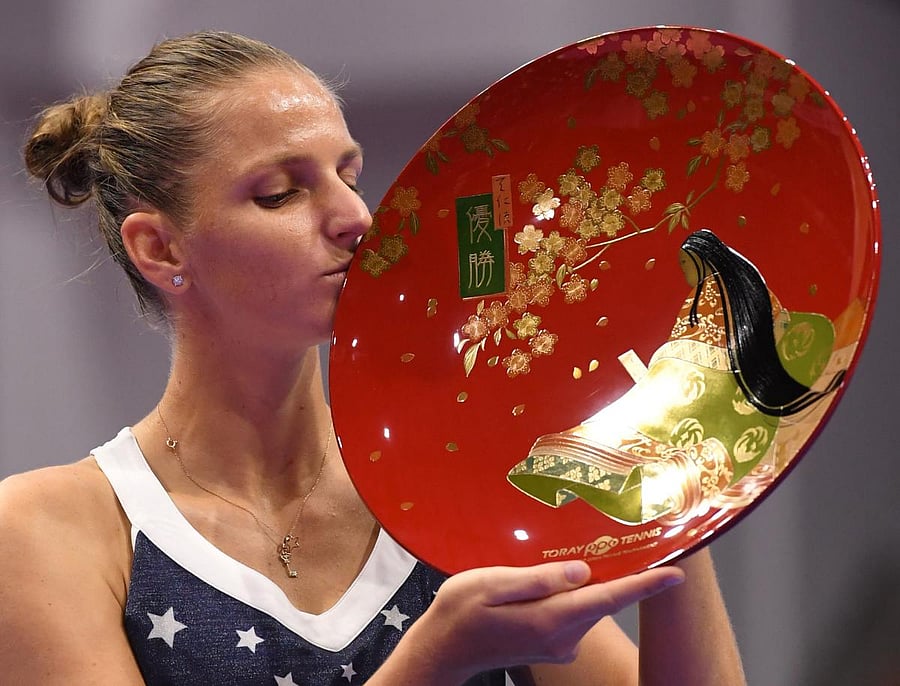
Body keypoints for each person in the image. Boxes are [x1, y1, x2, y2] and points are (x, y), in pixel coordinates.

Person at [0, 30, 746, 685]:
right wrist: (436, 663)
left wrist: (664, 495)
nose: (357, 217)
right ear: (160, 248)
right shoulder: (49, 529)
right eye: (282, 193)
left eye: (349, 176)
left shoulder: (463, 487)